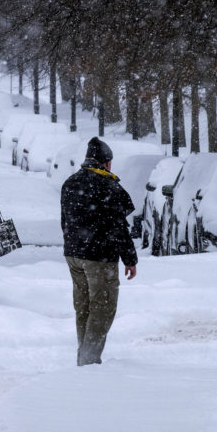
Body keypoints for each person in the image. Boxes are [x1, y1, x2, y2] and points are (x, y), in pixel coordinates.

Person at [60, 137, 138, 366]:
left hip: (73, 255)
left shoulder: (70, 182)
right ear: (107, 162)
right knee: (102, 308)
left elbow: (65, 220)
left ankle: (83, 356)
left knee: (83, 307)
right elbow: (118, 226)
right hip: (99, 256)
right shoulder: (108, 186)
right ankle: (89, 361)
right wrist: (130, 259)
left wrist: (72, 244)